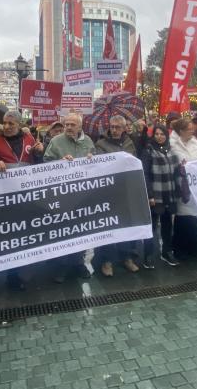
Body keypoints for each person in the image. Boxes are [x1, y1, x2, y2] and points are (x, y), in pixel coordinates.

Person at [0, 111, 43, 293]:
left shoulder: (29, 138)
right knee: (3, 236)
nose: (7, 126)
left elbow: (38, 166)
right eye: (5, 123)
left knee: (20, 235)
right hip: (2, 196)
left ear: (19, 124)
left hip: (24, 197)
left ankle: (17, 275)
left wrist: (38, 154)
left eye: (11, 123)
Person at [43, 112, 95, 282]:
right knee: (64, 232)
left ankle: (79, 263)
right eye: (67, 124)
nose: (69, 127)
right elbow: (45, 163)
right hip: (63, 195)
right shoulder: (56, 141)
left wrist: (92, 159)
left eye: (73, 124)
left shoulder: (88, 142)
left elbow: (96, 163)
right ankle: (62, 267)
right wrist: (60, 162)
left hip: (82, 195)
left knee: (80, 231)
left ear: (80, 126)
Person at [93, 116, 140, 276]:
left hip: (126, 190)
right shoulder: (101, 144)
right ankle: (106, 261)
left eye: (118, 127)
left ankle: (127, 257)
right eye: (112, 126)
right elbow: (100, 166)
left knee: (127, 224)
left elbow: (134, 161)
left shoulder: (129, 142)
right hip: (108, 191)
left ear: (124, 128)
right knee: (108, 226)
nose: (114, 130)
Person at [139, 124, 183, 268]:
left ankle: (166, 252)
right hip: (155, 194)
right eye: (157, 134)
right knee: (151, 226)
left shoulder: (171, 150)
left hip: (168, 193)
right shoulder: (148, 151)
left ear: (166, 135)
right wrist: (150, 195)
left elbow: (176, 171)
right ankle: (148, 254)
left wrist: (179, 189)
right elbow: (145, 173)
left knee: (167, 224)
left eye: (162, 134)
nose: (159, 136)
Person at [169, 117, 197, 259]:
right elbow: (172, 161)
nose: (192, 131)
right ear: (181, 131)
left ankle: (193, 247)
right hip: (181, 185)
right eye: (189, 129)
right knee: (182, 218)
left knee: (194, 218)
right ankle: (179, 248)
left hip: (196, 184)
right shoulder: (172, 143)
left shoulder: (195, 142)